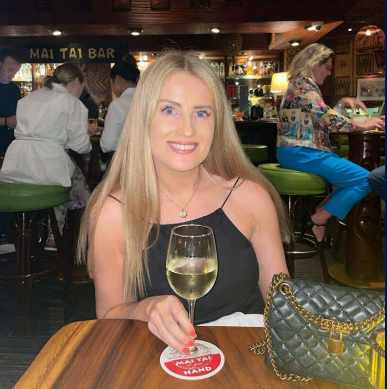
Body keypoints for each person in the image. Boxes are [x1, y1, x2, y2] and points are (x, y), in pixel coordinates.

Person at [77, 50, 290, 355]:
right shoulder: (113, 213)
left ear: (218, 124)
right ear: (143, 117)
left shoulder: (251, 197)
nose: (187, 129)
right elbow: (109, 315)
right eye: (169, 110)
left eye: (202, 112)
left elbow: (282, 302)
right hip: (157, 362)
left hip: (248, 357)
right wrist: (145, 309)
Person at [276, 43, 385, 246]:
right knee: (365, 179)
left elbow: (322, 117)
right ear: (313, 64)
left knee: (353, 178)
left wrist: (342, 103)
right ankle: (318, 219)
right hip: (302, 152)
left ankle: (320, 214)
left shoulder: (301, 85)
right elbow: (328, 119)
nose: (329, 72)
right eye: (327, 67)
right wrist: (364, 124)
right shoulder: (303, 84)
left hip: (302, 151)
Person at [0, 63, 98, 249]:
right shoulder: (71, 102)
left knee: (66, 177)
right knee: (77, 189)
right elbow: (81, 146)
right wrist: (88, 133)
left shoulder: (28, 99)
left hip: (17, 164)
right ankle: (66, 237)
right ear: (77, 81)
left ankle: (20, 234)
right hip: (49, 165)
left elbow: (41, 134)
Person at [100, 57, 140, 167]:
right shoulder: (149, 100)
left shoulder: (118, 105)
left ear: (116, 79)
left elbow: (107, 145)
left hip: (126, 164)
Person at [0, 49, 22, 160]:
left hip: (10, 148)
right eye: (10, 70)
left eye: (16, 72)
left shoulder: (14, 88)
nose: (12, 75)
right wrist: (6, 121)